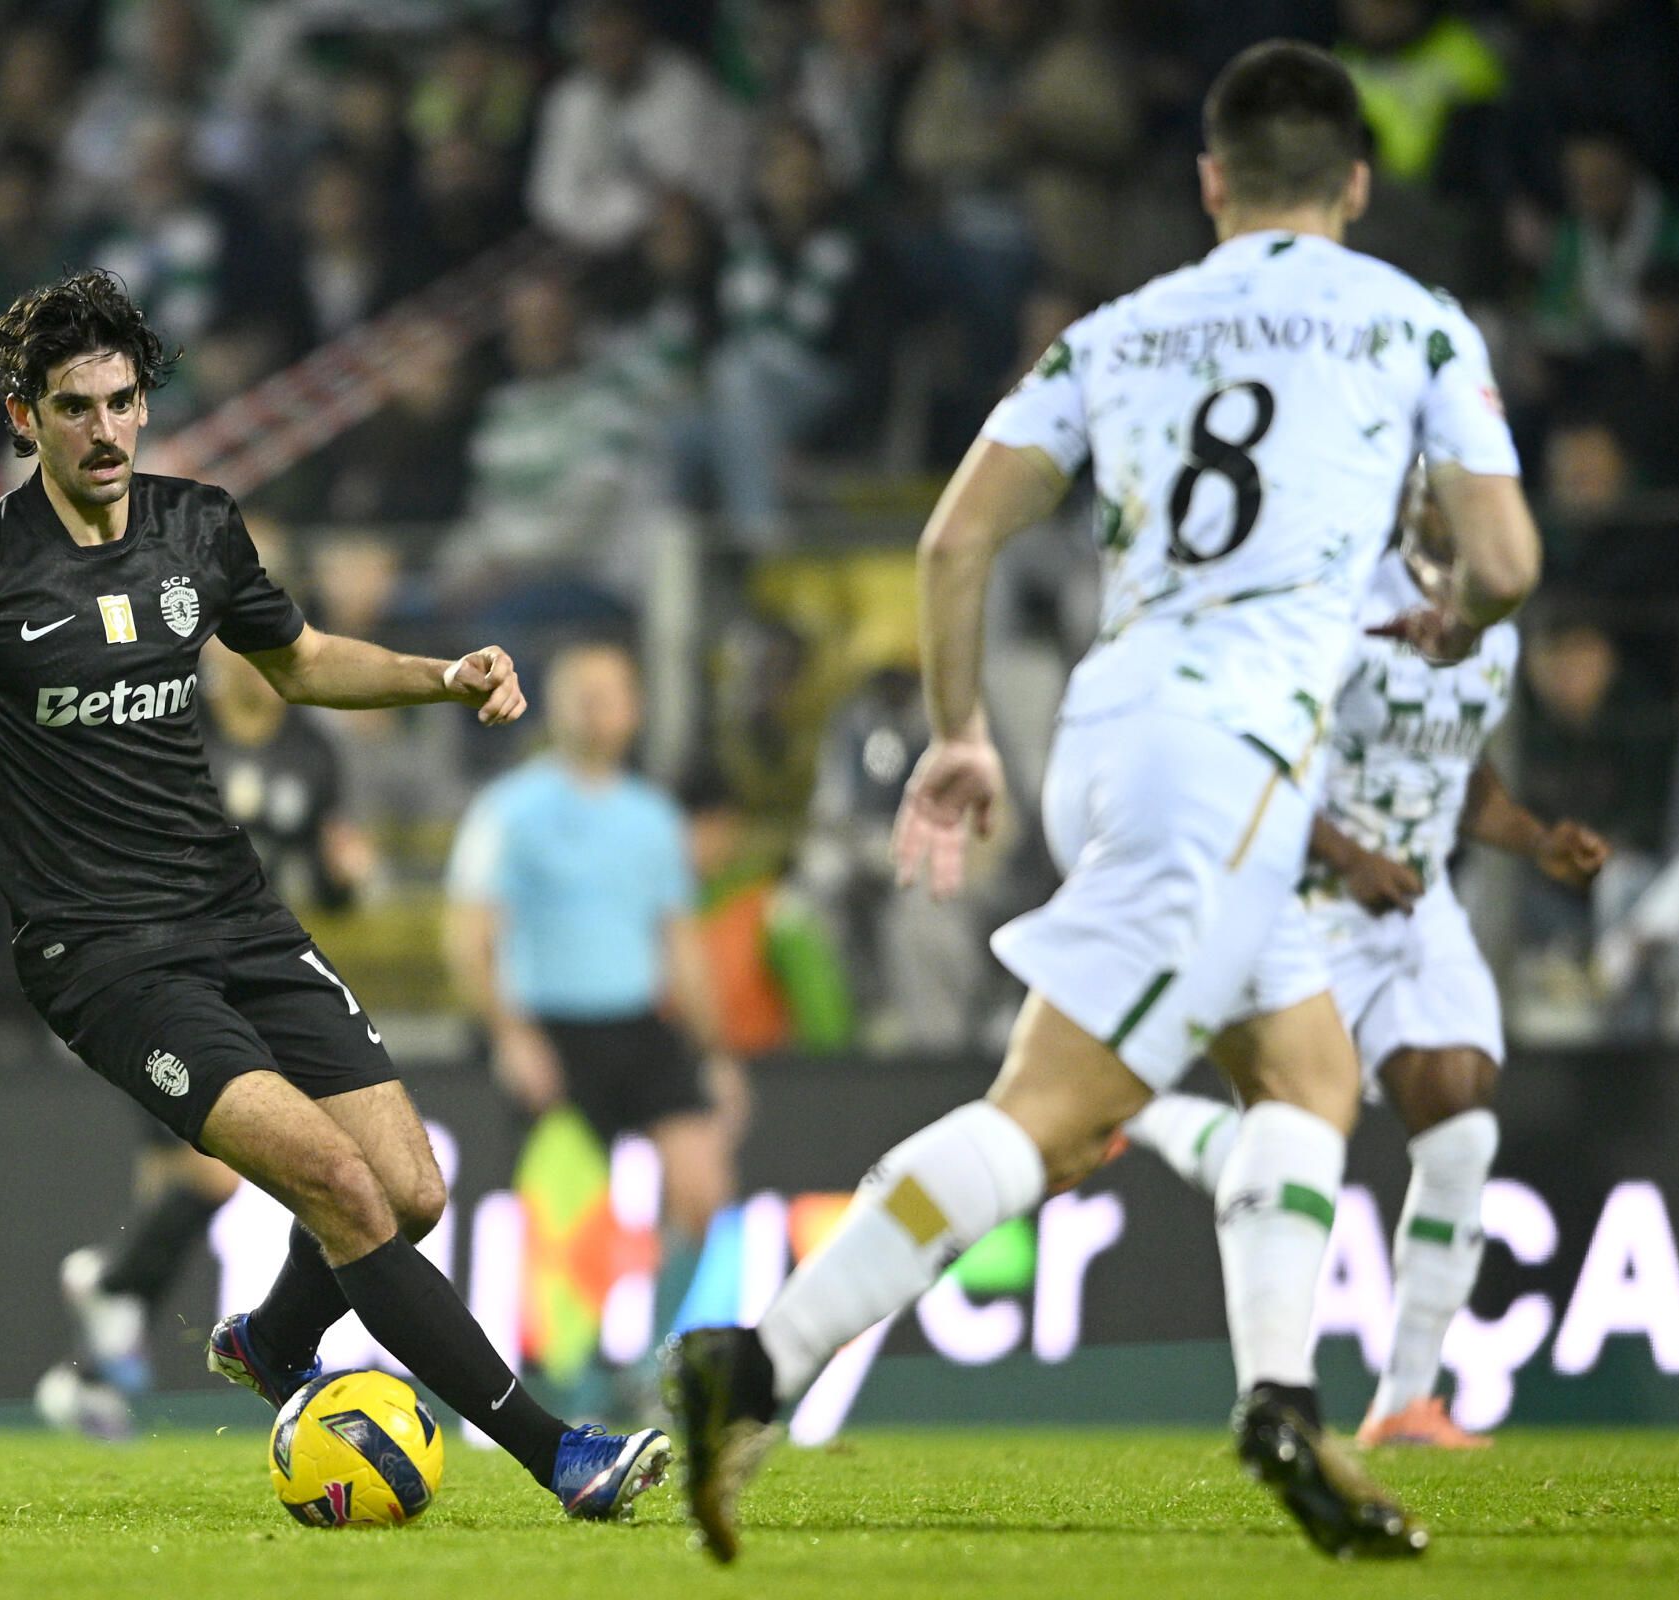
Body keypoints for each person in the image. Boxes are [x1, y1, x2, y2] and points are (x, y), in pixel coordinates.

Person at [667, 40, 1538, 1563]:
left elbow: (952, 542)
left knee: (1308, 1071)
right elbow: (1510, 559)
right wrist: (1453, 614)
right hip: (1242, 754)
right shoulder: (1417, 322)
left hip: (1112, 724)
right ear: (1356, 179)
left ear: (1209, 185)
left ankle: (1281, 1401)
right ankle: (760, 1363)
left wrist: (960, 734)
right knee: (1056, 1123)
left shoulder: (1116, 331)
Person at [0, 270, 667, 1519]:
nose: (105, 430)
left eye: (122, 401)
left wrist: (443, 674)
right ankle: (557, 1453)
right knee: (339, 1183)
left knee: (414, 1189)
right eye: (73, 407)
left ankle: (271, 1344)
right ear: (22, 417)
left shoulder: (199, 528)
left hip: (238, 916)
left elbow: (303, 660)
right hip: (105, 960)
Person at [1126, 479, 1608, 1448]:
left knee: (1463, 1125)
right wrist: (1350, 857)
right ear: (1418, 498)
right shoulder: (1339, 602)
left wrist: (1532, 838)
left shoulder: (1498, 629)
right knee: (1281, 1143)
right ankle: (1141, 1116)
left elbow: (1458, 773)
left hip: (1418, 903)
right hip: (1305, 911)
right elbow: (1261, 763)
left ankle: (1406, 1399)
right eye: (1456, 487)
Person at [38, 643, 368, 1440]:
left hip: (259, 981)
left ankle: (89, 1371)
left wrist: (345, 876)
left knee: (169, 1190)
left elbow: (325, 878)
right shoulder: (176, 728)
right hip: (166, 974)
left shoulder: (313, 751)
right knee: (214, 1175)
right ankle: (111, 1289)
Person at [444, 642, 744, 1400]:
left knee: (703, 1191)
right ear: (554, 704)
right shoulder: (509, 809)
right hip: (553, 1028)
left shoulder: (651, 820)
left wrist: (715, 1051)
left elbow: (678, 940)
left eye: (610, 691)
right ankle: (568, 1393)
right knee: (570, 1222)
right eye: (580, 689)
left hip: (639, 1024)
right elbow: (468, 932)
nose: (594, 706)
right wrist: (510, 1036)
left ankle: (648, 1367)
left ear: (635, 709)